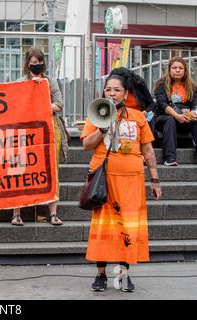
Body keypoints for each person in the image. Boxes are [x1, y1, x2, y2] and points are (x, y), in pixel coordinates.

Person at [81, 74, 162, 292]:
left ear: (126, 94)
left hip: (132, 181)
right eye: (109, 90)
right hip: (105, 181)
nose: (112, 94)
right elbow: (86, 145)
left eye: (117, 90)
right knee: (104, 228)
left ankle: (124, 275)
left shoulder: (137, 116)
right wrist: (101, 129)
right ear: (103, 92)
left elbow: (147, 149)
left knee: (128, 227)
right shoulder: (97, 114)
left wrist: (154, 179)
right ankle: (100, 275)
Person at [11, 47, 68, 226]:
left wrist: (40, 102)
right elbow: (15, 105)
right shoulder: (20, 82)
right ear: (28, 63)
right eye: (33, 62)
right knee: (21, 168)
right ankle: (16, 212)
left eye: (39, 62)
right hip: (27, 131)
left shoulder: (50, 82)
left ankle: (53, 213)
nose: (36, 65)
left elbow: (59, 104)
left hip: (50, 129)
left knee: (53, 170)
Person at [154, 56, 197, 166]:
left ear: (185, 71)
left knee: (195, 120)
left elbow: (195, 104)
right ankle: (170, 158)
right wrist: (177, 115)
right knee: (170, 120)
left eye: (180, 68)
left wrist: (192, 113)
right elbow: (162, 104)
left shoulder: (192, 86)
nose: (177, 70)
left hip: (184, 119)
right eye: (174, 68)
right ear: (169, 70)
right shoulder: (161, 85)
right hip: (164, 118)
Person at [109, 67, 157, 133]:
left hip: (139, 116)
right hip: (118, 117)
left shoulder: (139, 84)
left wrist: (146, 112)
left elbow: (152, 104)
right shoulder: (110, 89)